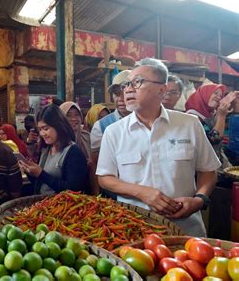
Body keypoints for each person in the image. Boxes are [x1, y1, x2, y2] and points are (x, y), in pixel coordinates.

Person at [96, 58, 220, 236]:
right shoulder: (113, 132)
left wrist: (199, 200)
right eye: (127, 84)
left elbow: (208, 171)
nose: (128, 89)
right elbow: (105, 178)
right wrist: (142, 193)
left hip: (186, 230)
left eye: (137, 82)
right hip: (134, 231)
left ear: (162, 90)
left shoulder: (189, 124)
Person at [18, 104, 90, 195]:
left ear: (58, 126)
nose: (42, 133)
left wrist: (41, 174)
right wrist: (29, 171)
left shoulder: (73, 152)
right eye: (40, 129)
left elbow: (74, 190)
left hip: (63, 207)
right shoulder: (46, 149)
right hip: (44, 204)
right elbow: (42, 184)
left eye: (46, 129)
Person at [90, 70, 131, 197]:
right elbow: (96, 163)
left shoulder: (147, 121)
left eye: (126, 93)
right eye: (117, 94)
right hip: (113, 192)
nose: (121, 99)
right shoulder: (101, 126)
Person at [185, 83, 236, 168]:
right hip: (199, 167)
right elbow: (213, 140)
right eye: (215, 93)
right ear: (204, 94)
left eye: (220, 95)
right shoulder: (192, 116)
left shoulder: (210, 114)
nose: (218, 97)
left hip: (210, 163)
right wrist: (221, 116)